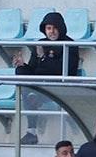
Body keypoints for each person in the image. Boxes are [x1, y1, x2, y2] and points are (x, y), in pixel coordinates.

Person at [15, 11, 81, 145]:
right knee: (28, 90)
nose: (51, 32)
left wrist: (44, 58)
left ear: (60, 28)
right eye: (48, 28)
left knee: (32, 93)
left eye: (54, 28)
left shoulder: (69, 45)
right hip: (42, 89)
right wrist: (22, 66)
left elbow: (65, 70)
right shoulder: (40, 44)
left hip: (62, 88)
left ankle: (69, 119)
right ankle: (31, 133)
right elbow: (33, 71)